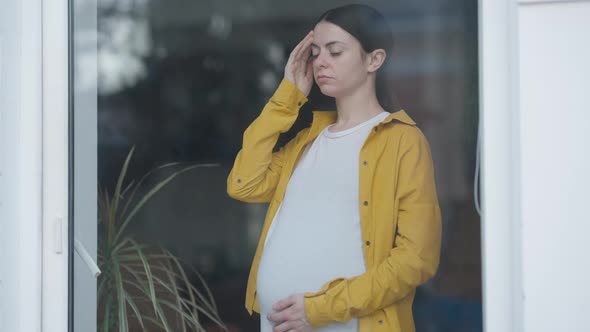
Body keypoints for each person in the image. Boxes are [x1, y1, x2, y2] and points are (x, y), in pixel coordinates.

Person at [227, 4, 441, 332]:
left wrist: (321, 309)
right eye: (314, 52)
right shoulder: (306, 141)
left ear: (374, 59)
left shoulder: (402, 141)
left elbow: (417, 259)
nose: (320, 62)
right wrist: (288, 95)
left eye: (335, 51)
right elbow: (243, 184)